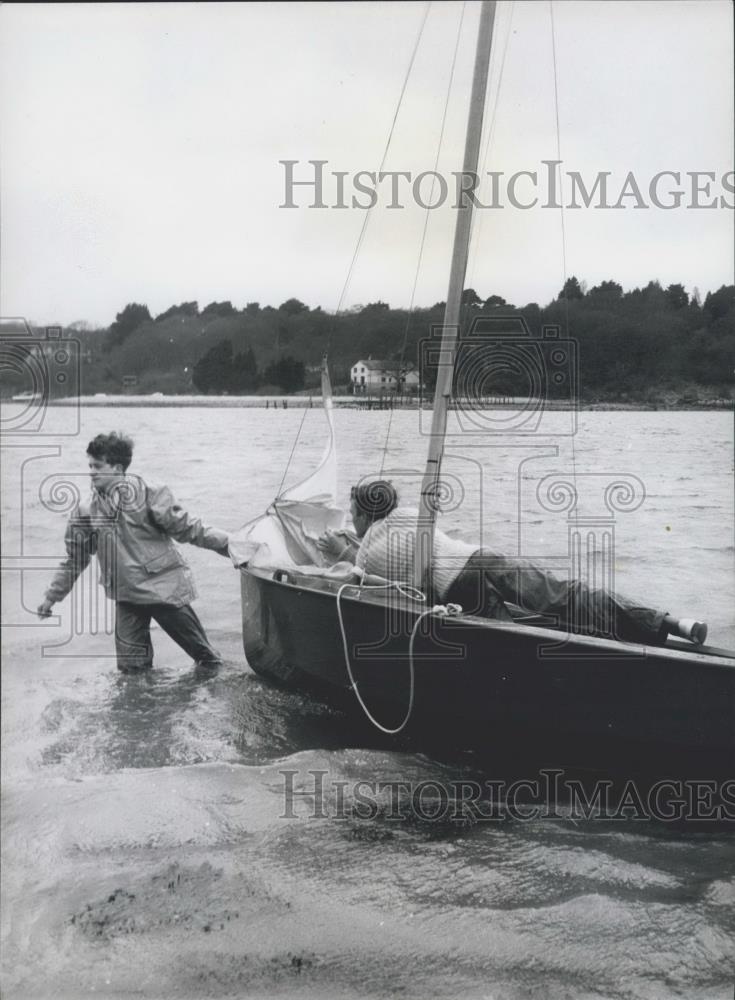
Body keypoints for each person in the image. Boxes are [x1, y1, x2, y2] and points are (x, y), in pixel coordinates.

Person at [317, 479, 708, 646]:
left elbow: (364, 580)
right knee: (565, 595)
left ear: (365, 516)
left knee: (518, 641)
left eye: (353, 513)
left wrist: (340, 552)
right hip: (482, 558)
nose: (351, 520)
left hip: (458, 587)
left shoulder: (365, 549)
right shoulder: (409, 515)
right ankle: (670, 623)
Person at [37, 432, 231, 672]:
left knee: (206, 658)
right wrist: (51, 597)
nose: (91, 472)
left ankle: (215, 696)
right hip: (127, 596)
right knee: (131, 672)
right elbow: (74, 559)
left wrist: (232, 546)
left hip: (164, 591)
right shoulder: (85, 510)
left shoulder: (151, 493)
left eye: (97, 466)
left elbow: (190, 529)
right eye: (89, 465)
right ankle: (140, 708)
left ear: (118, 468)